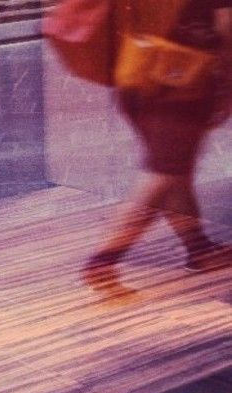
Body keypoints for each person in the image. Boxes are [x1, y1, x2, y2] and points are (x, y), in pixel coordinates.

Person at [84, 0, 232, 291]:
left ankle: (199, 249)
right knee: (163, 174)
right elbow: (227, 28)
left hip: (136, 68)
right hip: (183, 78)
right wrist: (227, 89)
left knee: (174, 173)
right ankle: (104, 260)